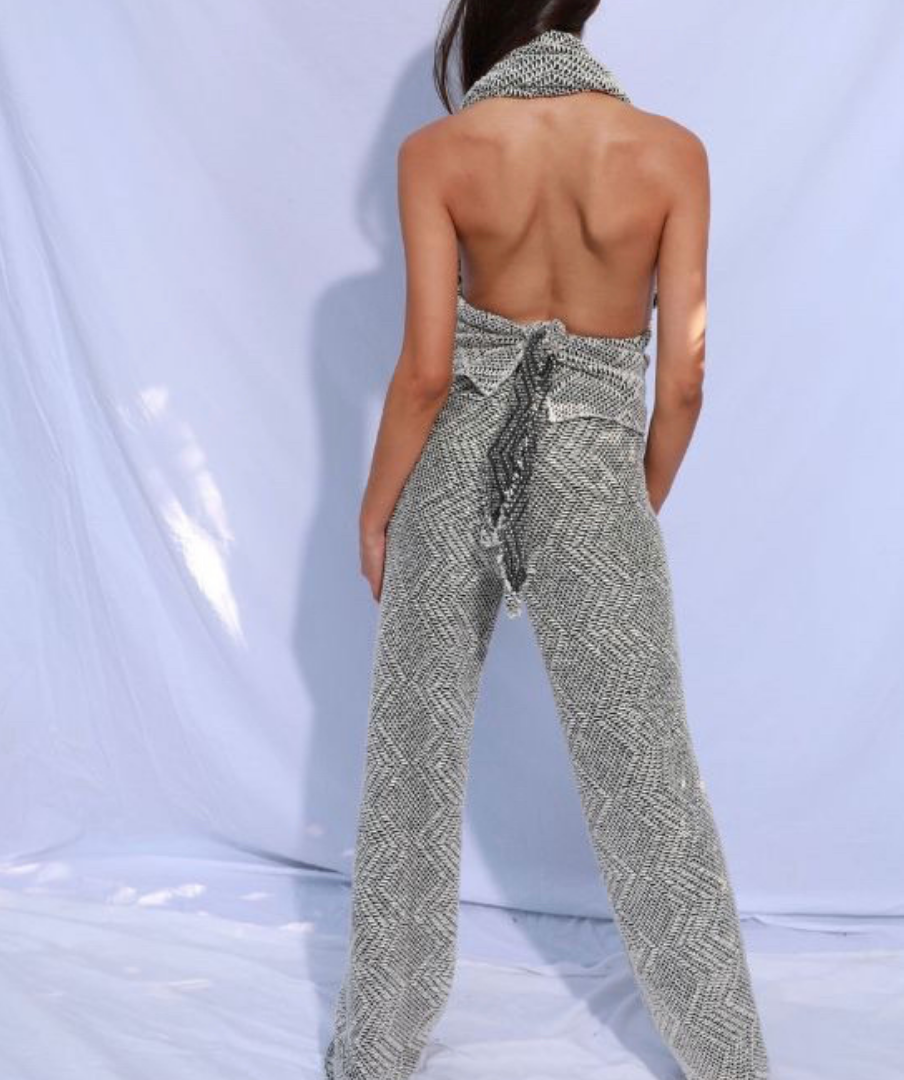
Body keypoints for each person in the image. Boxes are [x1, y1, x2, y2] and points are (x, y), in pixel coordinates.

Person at [325, 4, 771, 1079]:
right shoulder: (670, 152)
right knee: (651, 782)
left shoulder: (438, 153)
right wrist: (627, 503)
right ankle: (731, 1062)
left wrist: (377, 510)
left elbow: (426, 371)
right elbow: (685, 379)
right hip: (596, 469)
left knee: (413, 767)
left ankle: (374, 1053)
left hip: (451, 469)